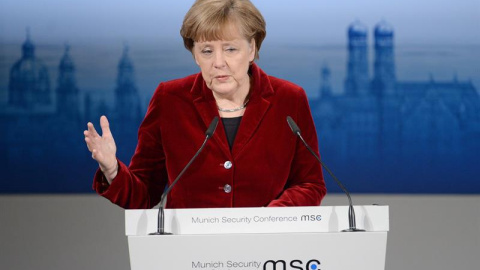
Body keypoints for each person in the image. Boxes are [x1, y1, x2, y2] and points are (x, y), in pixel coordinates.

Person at [84, 0, 326, 209]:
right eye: (207, 51)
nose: (218, 62)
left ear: (252, 48)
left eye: (230, 49)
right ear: (195, 55)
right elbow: (144, 195)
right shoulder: (170, 99)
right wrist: (113, 170)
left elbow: (310, 184)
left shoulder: (289, 99)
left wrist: (268, 218)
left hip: (269, 249)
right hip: (188, 252)